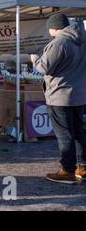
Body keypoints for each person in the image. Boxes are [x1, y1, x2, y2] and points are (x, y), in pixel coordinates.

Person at [31, 13, 86, 184]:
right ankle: (82, 168)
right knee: (79, 132)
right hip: (79, 95)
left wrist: (35, 60)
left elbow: (44, 67)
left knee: (64, 135)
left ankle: (67, 171)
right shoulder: (82, 41)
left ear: (55, 27)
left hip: (60, 96)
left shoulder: (58, 42)